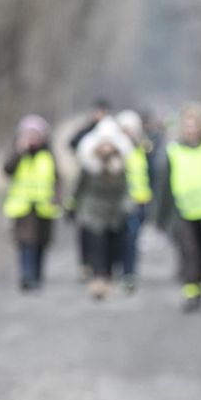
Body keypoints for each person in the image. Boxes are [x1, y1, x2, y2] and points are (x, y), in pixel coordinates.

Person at [155, 103, 201, 311]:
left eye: (194, 124)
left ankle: (198, 286)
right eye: (186, 124)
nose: (190, 129)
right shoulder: (174, 151)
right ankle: (190, 290)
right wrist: (160, 215)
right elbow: (165, 186)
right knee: (189, 251)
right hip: (182, 211)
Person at [70, 117, 132, 300]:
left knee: (112, 246)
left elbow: (125, 190)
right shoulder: (89, 166)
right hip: (92, 210)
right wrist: (74, 207)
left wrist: (127, 206)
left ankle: (108, 278)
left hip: (114, 211)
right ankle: (97, 281)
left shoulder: (120, 167)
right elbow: (79, 188)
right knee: (96, 245)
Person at [2, 114, 62, 291]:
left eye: (36, 134)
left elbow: (57, 179)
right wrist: (19, 151)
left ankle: (37, 276)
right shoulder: (18, 154)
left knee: (41, 243)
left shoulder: (48, 156)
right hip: (23, 207)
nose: (33, 138)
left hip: (44, 207)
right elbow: (7, 169)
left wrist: (58, 199)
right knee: (26, 243)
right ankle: (26, 276)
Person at [116, 109, 153, 293]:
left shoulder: (143, 149)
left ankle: (129, 272)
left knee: (132, 239)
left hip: (139, 201)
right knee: (123, 238)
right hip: (119, 202)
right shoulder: (116, 151)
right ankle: (123, 271)